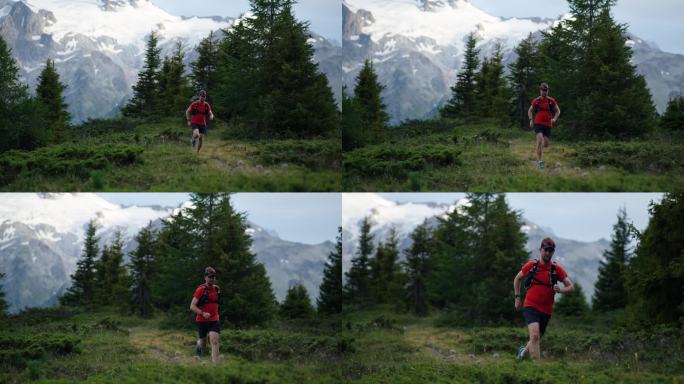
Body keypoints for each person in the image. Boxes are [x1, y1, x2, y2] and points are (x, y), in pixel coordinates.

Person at [513, 238, 574, 360]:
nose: (548, 253)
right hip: (531, 305)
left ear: (553, 252)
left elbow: (571, 287)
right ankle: (537, 369)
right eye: (546, 250)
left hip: (546, 309)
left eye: (550, 251)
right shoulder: (532, 265)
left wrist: (560, 290)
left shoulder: (556, 269)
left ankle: (523, 353)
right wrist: (517, 297)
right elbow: (517, 279)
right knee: (535, 336)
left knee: (535, 338)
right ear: (541, 250)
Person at [189, 266, 221, 362]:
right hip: (202, 320)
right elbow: (192, 306)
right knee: (203, 345)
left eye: (213, 276)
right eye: (210, 276)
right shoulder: (201, 289)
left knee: (214, 341)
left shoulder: (217, 289)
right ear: (205, 277)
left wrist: (216, 315)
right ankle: (199, 344)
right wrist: (202, 313)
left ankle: (216, 366)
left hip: (214, 320)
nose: (212, 278)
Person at [528, 83, 560, 169]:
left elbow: (558, 111)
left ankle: (539, 149)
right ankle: (540, 161)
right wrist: (531, 120)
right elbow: (530, 110)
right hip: (538, 123)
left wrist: (554, 119)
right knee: (540, 140)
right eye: (543, 90)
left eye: (546, 90)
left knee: (545, 144)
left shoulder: (551, 101)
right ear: (540, 90)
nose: (544, 92)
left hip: (548, 125)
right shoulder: (536, 101)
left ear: (548, 91)